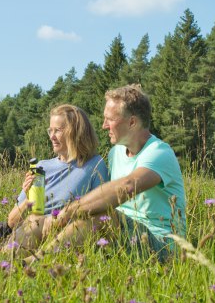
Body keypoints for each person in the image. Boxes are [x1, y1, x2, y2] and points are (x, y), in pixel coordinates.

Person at [46, 85, 186, 261]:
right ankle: (9, 256)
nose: (104, 126)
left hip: (163, 246)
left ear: (132, 122)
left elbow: (126, 186)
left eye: (109, 119)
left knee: (101, 215)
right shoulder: (115, 153)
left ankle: (38, 261)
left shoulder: (159, 152)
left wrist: (69, 211)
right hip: (124, 236)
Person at [0, 104, 109, 253]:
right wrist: (28, 199)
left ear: (76, 132)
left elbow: (102, 215)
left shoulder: (94, 165)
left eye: (58, 130)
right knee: (33, 224)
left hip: (67, 234)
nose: (52, 136)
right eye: (50, 130)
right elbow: (12, 221)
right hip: (32, 228)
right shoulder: (41, 166)